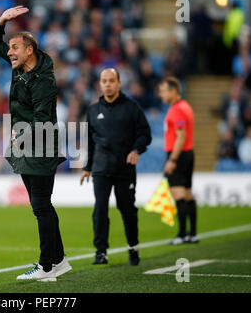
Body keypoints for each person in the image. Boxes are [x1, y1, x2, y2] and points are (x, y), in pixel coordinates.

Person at [0, 6, 70, 282]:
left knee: (41, 206)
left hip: (41, 144)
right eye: (9, 48)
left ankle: (46, 267)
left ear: (29, 50)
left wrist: (19, 136)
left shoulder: (44, 80)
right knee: (43, 206)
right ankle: (58, 261)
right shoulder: (19, 66)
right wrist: (1, 20)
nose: (8, 52)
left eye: (14, 47)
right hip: (26, 144)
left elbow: (42, 118)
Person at [80, 68, 152, 266]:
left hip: (124, 168)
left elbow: (145, 134)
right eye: (104, 81)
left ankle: (133, 247)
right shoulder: (93, 110)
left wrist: (136, 149)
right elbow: (91, 141)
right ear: (100, 84)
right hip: (101, 168)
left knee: (127, 209)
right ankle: (100, 252)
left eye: (111, 80)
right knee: (100, 209)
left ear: (119, 83)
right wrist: (87, 167)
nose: (108, 84)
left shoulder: (131, 108)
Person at [158, 77, 198, 245]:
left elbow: (181, 137)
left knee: (179, 195)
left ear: (174, 91)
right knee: (188, 194)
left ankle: (182, 234)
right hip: (188, 153)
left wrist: (172, 160)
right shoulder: (185, 106)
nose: (161, 94)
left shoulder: (177, 110)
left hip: (178, 155)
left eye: (164, 90)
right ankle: (192, 234)